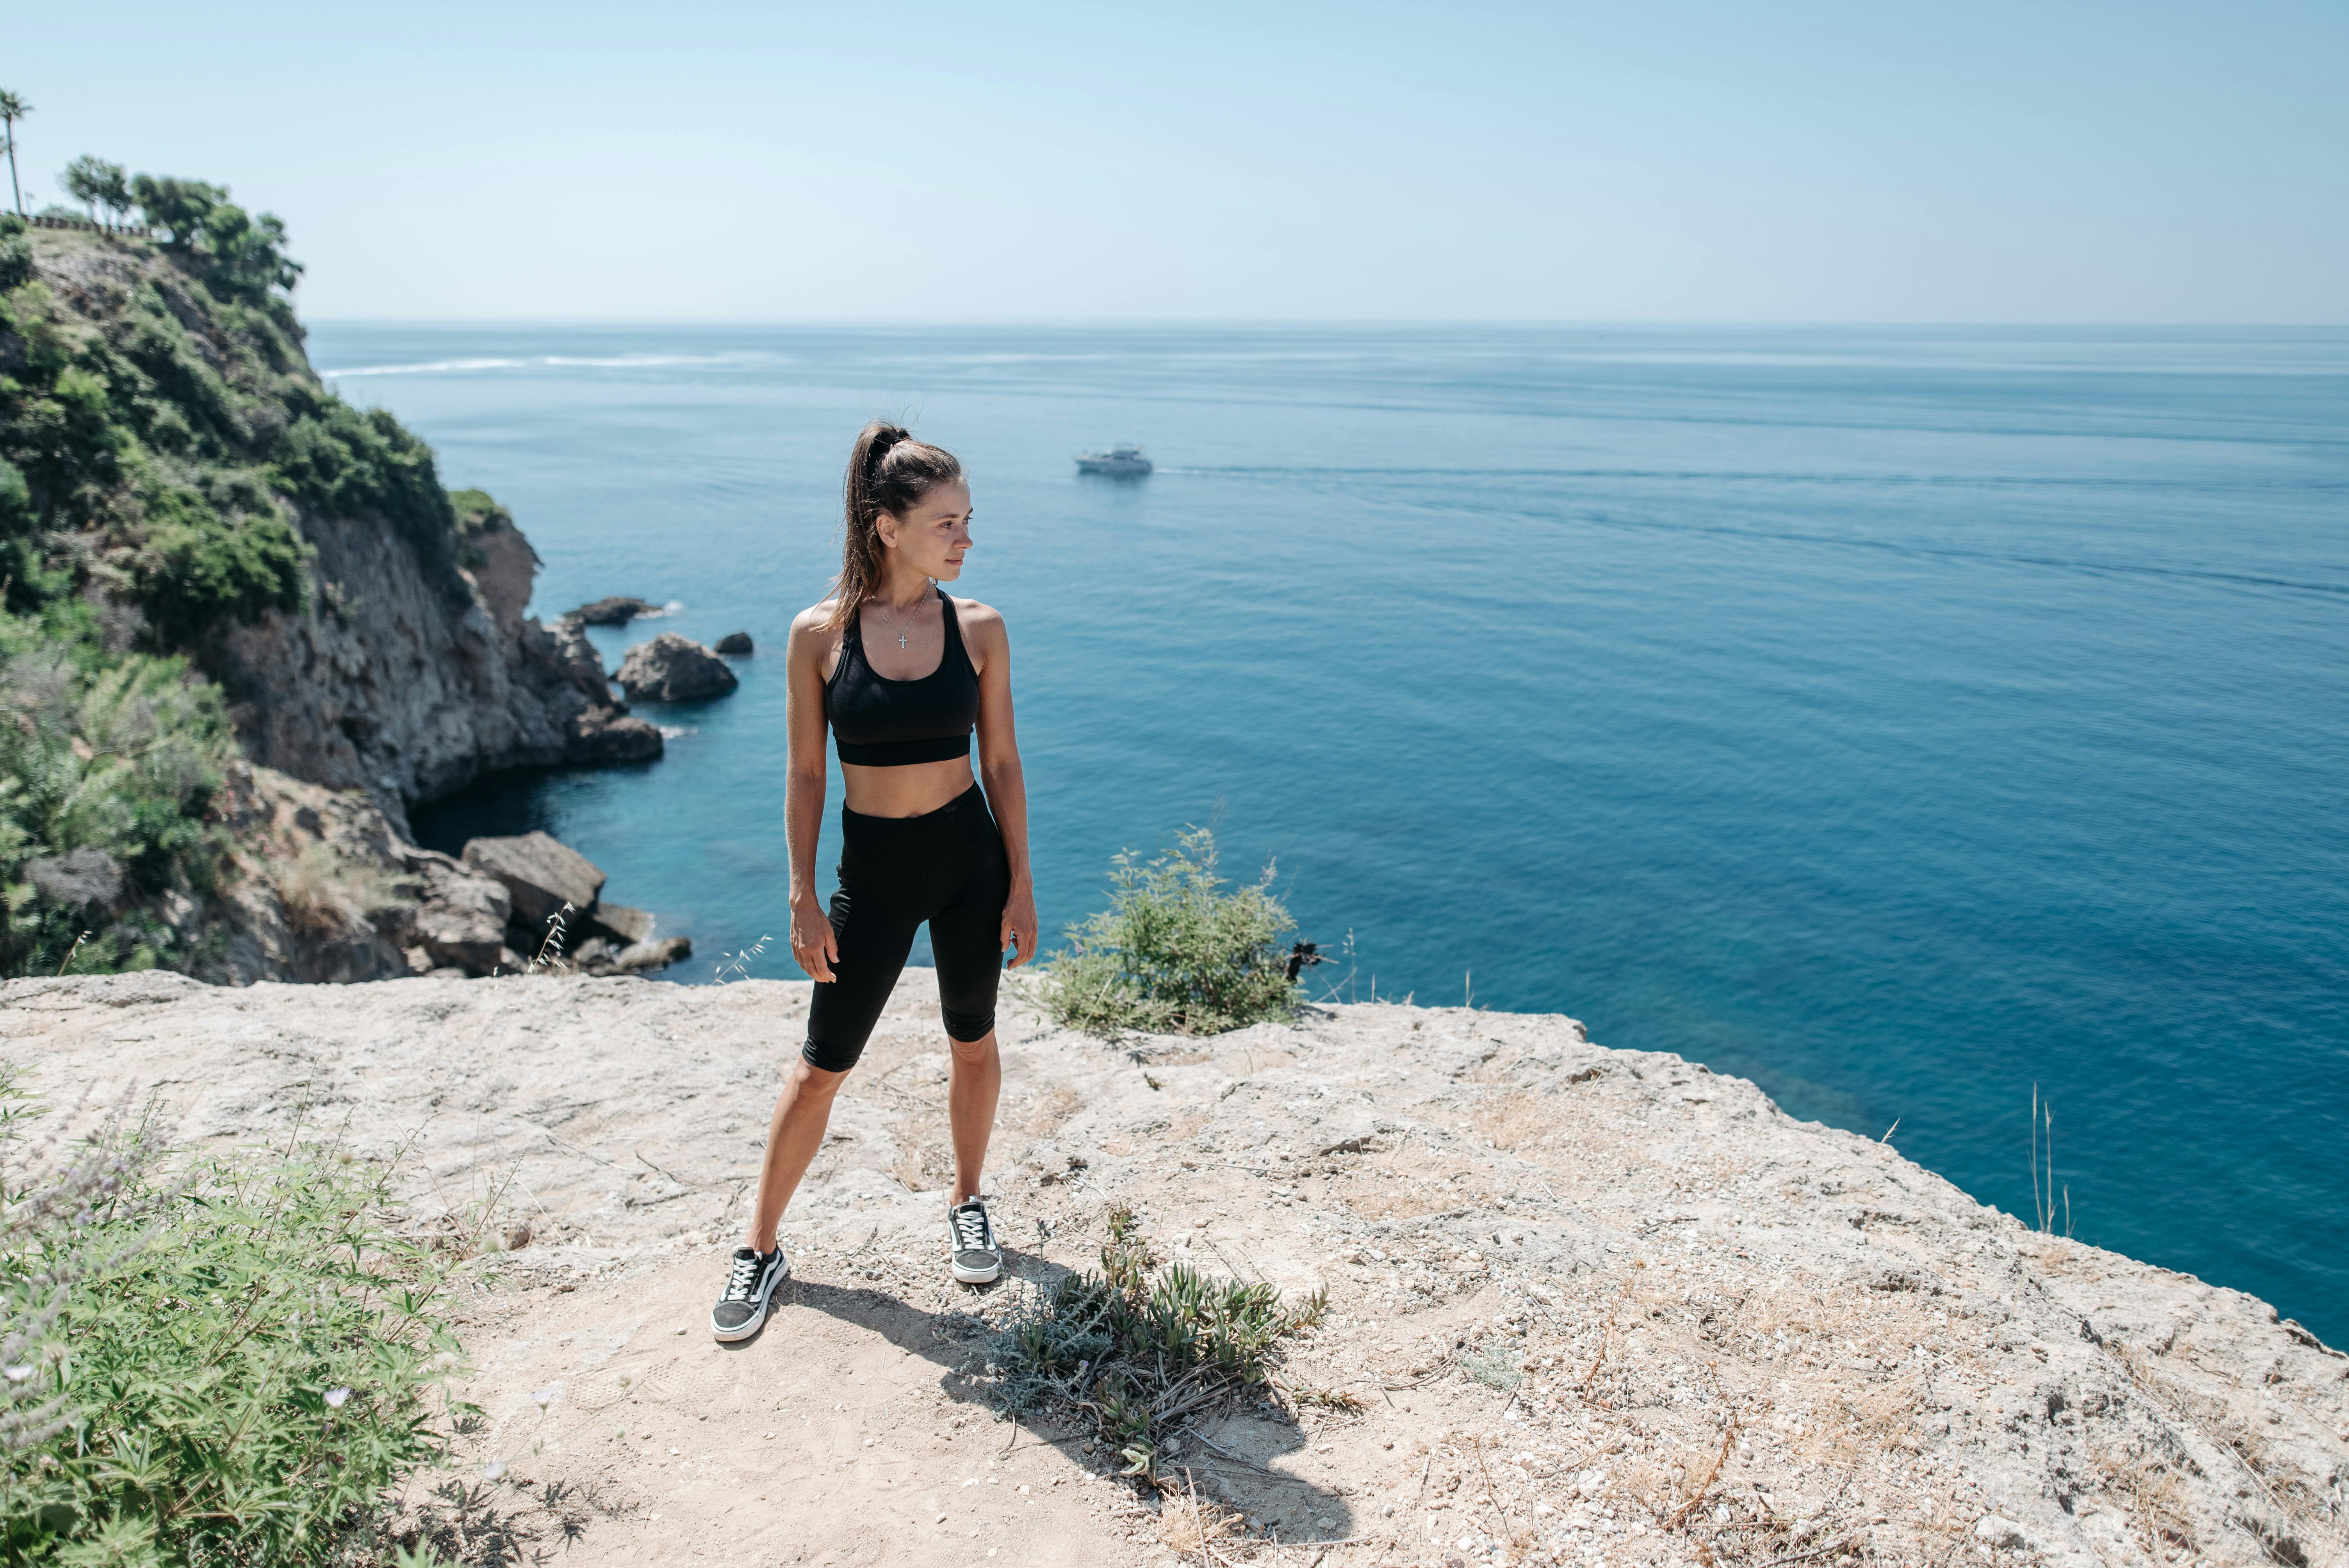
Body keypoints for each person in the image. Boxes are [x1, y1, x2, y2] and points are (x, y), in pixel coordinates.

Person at [711, 422, 1039, 1342]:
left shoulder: (979, 628)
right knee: (821, 1068)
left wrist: (1020, 883)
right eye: (947, 523)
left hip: (968, 864)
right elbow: (806, 774)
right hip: (874, 875)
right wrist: (801, 895)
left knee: (971, 1039)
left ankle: (968, 1197)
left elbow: (1003, 764)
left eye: (967, 520)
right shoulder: (818, 636)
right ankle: (761, 1247)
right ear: (887, 526)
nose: (965, 539)